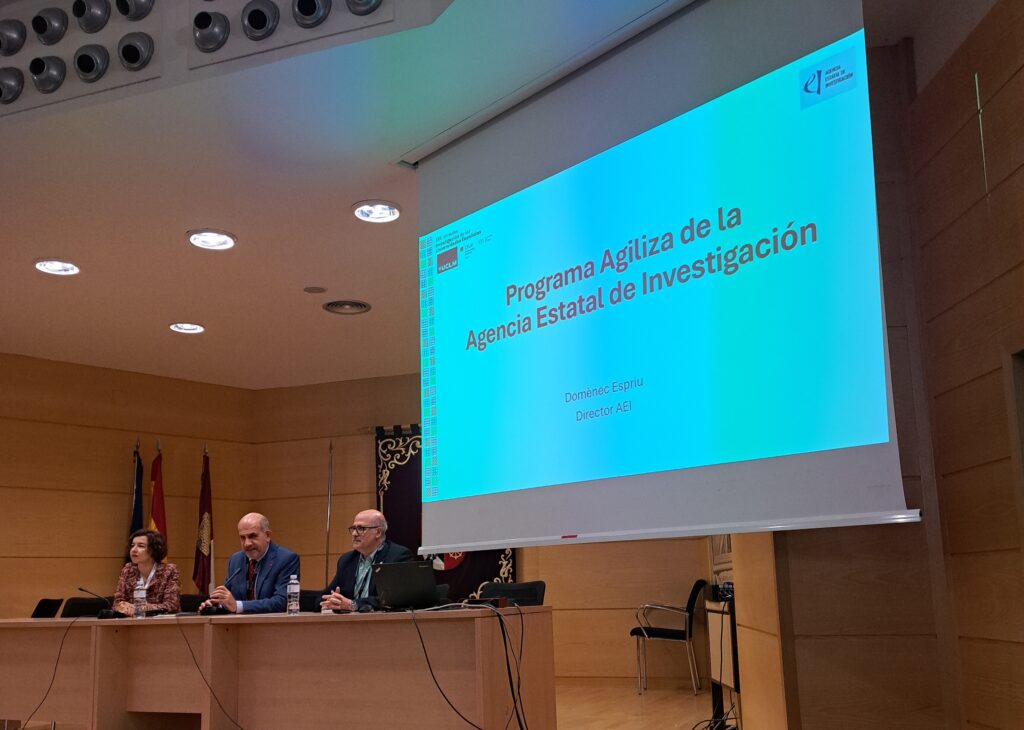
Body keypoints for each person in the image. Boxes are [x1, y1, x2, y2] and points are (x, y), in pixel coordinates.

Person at [200, 513, 299, 614]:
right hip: (239, 623)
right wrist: (217, 604)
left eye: (253, 536)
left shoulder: (286, 559)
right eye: (243, 538)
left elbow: (282, 602)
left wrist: (238, 606)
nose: (247, 543)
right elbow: (230, 599)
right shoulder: (235, 560)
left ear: (267, 535)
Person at [321, 509, 413, 612]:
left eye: (361, 528)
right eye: (353, 528)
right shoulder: (347, 560)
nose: (354, 534)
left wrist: (354, 604)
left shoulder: (397, 556)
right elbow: (327, 595)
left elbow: (394, 598)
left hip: (382, 620)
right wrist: (330, 601)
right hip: (350, 620)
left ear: (378, 532)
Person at [113, 529, 180, 615]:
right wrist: (121, 607)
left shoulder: (168, 570)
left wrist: (140, 608)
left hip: (160, 621)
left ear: (153, 550)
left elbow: (172, 605)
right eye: (132, 545)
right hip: (132, 621)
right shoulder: (128, 569)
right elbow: (117, 603)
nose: (134, 549)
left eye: (140, 546)